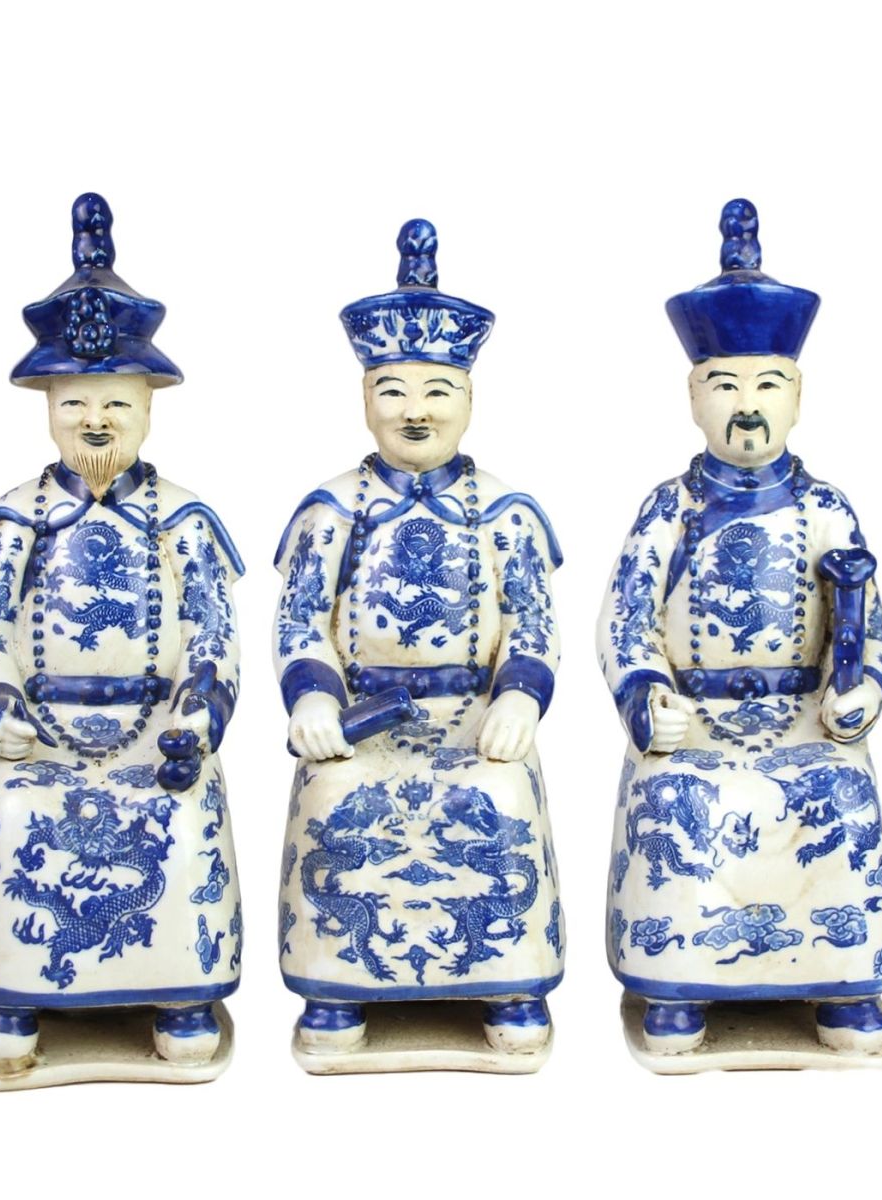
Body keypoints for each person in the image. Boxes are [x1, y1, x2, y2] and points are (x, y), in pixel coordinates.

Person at [596, 200, 882, 1060]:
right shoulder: (669, 507)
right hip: (695, 715)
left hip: (802, 714)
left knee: (840, 789)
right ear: (694, 397)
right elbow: (624, 616)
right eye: (726, 386)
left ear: (797, 397)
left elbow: (868, 623)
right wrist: (648, 694)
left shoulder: (827, 509)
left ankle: (840, 984)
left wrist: (861, 690)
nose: (748, 406)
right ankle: (679, 985)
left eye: (767, 385)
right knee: (675, 794)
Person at [0, 195, 244, 1079]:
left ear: (149, 406)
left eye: (116, 401)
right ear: (48, 405)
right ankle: (15, 996)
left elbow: (213, 630)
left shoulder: (183, 520)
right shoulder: (16, 519)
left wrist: (197, 715)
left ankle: (181, 992)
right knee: (12, 805)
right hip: (44, 732)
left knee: (181, 811)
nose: (95, 420)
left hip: (156, 729)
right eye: (75, 401)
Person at [273, 220, 564, 1064]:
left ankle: (507, 982)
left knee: (500, 792)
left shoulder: (505, 512)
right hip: (364, 721)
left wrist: (519, 697)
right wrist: (315, 698)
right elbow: (299, 618)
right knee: (336, 794)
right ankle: (338, 988)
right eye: (393, 390)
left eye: (438, 390)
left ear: (469, 398)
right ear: (365, 397)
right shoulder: (332, 509)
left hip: (473, 719)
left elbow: (533, 619)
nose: (415, 411)